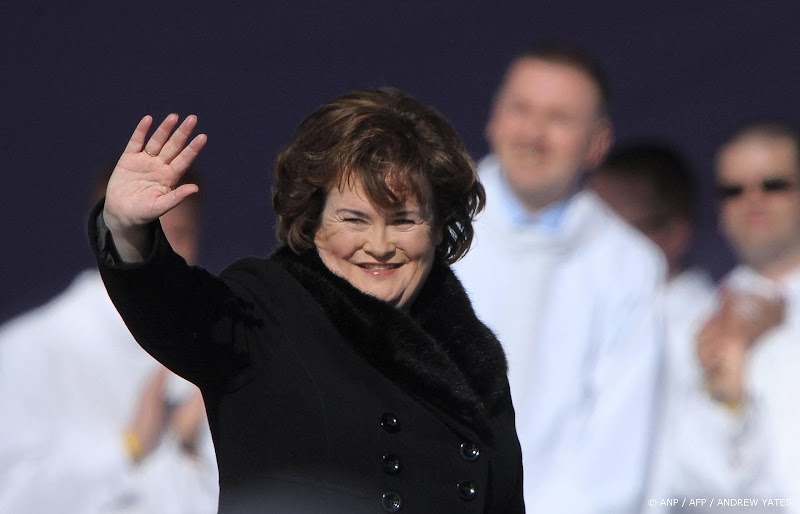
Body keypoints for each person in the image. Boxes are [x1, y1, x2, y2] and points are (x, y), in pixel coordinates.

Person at [88, 88, 525, 512]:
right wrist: (126, 229)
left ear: (437, 227)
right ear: (312, 220)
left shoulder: (473, 362)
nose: (379, 245)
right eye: (354, 219)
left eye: (403, 221)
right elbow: (171, 310)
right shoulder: (266, 309)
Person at [454, 43, 666, 513]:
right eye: (521, 109)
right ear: (494, 118)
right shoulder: (430, 227)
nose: (533, 134)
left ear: (598, 142)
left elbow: (618, 449)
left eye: (559, 118)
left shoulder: (630, 266)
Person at [0, 168, 218, 513]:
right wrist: (130, 448)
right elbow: (13, 498)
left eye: (180, 234)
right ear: (104, 234)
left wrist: (188, 444)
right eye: (146, 232)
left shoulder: (220, 351)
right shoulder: (27, 351)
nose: (164, 253)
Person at [661, 122, 800, 512]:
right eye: (733, 191)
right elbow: (678, 482)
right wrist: (724, 396)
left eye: (773, 185)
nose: (753, 201)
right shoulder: (694, 323)